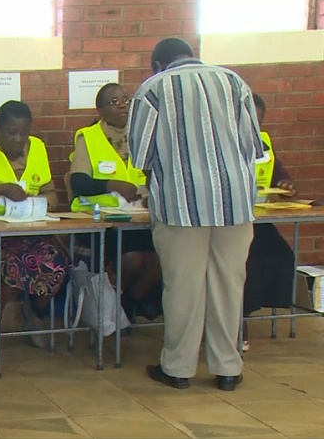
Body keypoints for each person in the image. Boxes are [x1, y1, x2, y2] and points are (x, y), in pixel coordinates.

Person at [128, 38, 263, 392]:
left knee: (183, 287)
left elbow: (140, 156)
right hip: (236, 205)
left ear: (156, 63)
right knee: (229, 285)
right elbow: (252, 145)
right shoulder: (234, 82)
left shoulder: (153, 89)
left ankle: (178, 368)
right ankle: (228, 368)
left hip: (180, 207)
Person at [0, 100, 71, 349]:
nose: (18, 139)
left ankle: (35, 314)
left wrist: (42, 202)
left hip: (32, 231)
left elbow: (52, 193)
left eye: (24, 133)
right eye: (11, 132)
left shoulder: (38, 148)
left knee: (57, 263)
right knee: (11, 267)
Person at [69, 83, 163, 321]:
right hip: (103, 223)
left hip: (141, 219)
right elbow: (79, 182)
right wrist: (112, 185)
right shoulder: (88, 138)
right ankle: (125, 305)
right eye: (114, 102)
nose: (122, 105)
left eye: (125, 100)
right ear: (100, 110)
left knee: (162, 260)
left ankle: (130, 301)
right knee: (133, 260)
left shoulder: (142, 135)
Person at [242, 93, 297, 351]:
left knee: (281, 255)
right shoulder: (219, 143)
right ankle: (238, 322)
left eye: (259, 121)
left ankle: (263, 307)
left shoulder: (264, 143)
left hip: (259, 218)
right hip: (231, 221)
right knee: (245, 262)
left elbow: (279, 175)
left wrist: (285, 184)